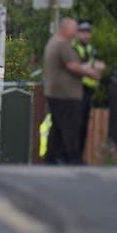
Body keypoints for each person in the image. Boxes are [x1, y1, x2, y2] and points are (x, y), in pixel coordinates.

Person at [44, 18, 102, 165]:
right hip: (65, 94)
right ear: (66, 29)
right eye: (74, 29)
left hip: (57, 92)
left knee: (57, 126)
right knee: (70, 126)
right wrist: (91, 73)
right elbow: (72, 65)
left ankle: (51, 157)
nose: (75, 32)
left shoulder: (55, 42)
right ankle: (72, 158)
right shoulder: (63, 44)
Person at [71, 21, 106, 158]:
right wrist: (93, 66)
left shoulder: (91, 49)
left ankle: (79, 155)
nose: (86, 35)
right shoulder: (75, 47)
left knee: (84, 124)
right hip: (77, 89)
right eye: (83, 32)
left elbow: (101, 65)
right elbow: (80, 66)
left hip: (88, 90)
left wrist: (91, 66)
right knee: (76, 124)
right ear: (78, 33)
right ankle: (73, 156)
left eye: (88, 32)